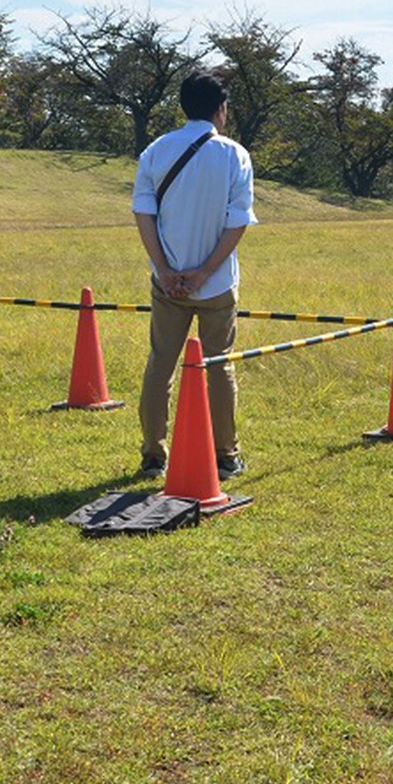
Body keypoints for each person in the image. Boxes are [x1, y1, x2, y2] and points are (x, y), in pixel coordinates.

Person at [132, 73, 256, 481]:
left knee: (160, 364)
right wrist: (204, 272)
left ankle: (153, 454)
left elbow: (143, 214)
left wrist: (166, 270)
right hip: (217, 282)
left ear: (183, 106)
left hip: (166, 283)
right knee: (219, 366)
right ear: (221, 109)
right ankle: (225, 454)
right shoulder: (234, 154)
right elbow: (237, 222)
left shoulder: (156, 150)